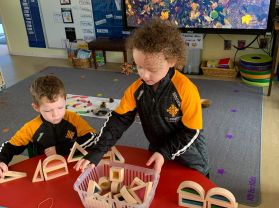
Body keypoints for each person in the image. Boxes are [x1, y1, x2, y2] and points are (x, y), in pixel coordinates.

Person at [74, 18, 209, 176]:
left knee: (195, 185)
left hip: (189, 154)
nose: (144, 75)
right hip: (157, 149)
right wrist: (98, 150)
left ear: (172, 61)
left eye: (152, 69)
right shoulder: (136, 90)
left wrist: (165, 152)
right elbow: (118, 121)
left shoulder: (187, 90)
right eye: (139, 66)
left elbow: (191, 132)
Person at [0, 75, 97, 178]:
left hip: (74, 167)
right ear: (36, 107)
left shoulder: (73, 118)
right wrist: (1, 161)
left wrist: (60, 149)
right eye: (48, 110)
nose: (56, 115)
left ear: (65, 100)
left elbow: (92, 137)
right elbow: (9, 147)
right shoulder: (31, 127)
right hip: (46, 172)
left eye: (60, 107)